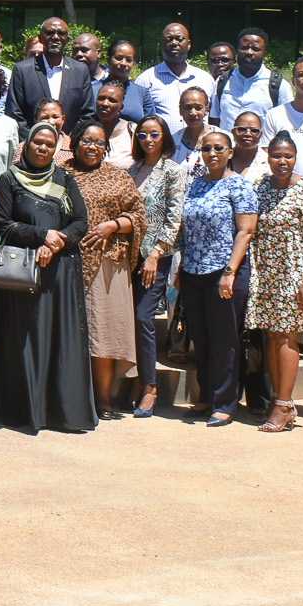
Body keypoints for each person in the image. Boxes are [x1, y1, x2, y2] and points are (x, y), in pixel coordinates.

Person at [0, 123, 95, 433]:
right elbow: (3, 225)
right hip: (22, 273)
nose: (43, 148)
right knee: (25, 339)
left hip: (60, 273)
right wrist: (42, 235)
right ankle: (26, 411)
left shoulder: (65, 179)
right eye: (37, 142)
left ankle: (61, 413)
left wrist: (56, 242)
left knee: (59, 338)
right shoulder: (10, 179)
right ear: (26, 145)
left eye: (49, 144)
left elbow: (81, 222)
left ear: (56, 149)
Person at [247, 131, 303, 432]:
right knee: (271, 335)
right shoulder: (259, 188)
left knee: (286, 337)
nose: (282, 161)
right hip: (266, 271)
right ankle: (279, 402)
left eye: (288, 156)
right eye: (276, 156)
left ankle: (283, 405)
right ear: (267, 158)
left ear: (295, 158)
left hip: (294, 273)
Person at [177, 129, 257, 426]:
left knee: (224, 340)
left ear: (230, 153)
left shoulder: (239, 186)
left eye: (219, 148)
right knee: (201, 338)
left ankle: (224, 403)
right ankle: (205, 396)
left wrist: (230, 273)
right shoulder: (196, 184)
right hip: (193, 271)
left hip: (224, 272)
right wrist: (181, 268)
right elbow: (185, 228)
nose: (212, 153)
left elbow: (246, 231)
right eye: (207, 148)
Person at [70, 122, 145, 420]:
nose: (92, 147)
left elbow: (138, 216)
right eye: (87, 140)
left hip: (108, 264)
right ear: (75, 142)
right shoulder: (61, 174)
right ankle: (71, 395)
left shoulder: (118, 176)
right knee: (73, 332)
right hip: (69, 262)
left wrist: (112, 226)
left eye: (99, 143)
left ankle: (102, 398)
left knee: (103, 334)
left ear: (106, 148)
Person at [128, 116, 187, 416]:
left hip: (156, 258)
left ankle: (150, 385)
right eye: (142, 135)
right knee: (129, 319)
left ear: (164, 137)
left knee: (143, 318)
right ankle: (136, 378)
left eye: (154, 134)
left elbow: (175, 218)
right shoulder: (132, 170)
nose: (148, 140)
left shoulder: (173, 171)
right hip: (129, 257)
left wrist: (156, 253)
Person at [5, 16, 95, 135]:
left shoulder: (80, 71)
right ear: (40, 38)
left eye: (61, 33)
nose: (56, 37)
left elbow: (87, 113)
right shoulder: (22, 70)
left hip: (70, 143)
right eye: (50, 32)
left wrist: (68, 142)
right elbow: (14, 113)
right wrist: (34, 140)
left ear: (67, 39)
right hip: (33, 143)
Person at [138, 22, 214, 136]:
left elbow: (213, 116)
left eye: (179, 39)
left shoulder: (205, 78)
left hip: (200, 144)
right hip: (162, 145)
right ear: (161, 44)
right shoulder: (146, 79)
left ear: (189, 44)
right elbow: (139, 119)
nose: (174, 43)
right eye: (168, 39)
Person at [211, 28, 292, 127]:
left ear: (265, 53)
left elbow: (287, 123)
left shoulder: (278, 86)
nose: (249, 52)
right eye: (244, 48)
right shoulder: (222, 82)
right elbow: (214, 121)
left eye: (256, 49)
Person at [90, 80, 136, 156]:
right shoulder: (88, 130)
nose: (105, 104)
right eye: (101, 98)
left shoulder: (132, 131)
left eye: (112, 100)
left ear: (121, 107)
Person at [172, 86, 211, 173]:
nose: (193, 113)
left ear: (206, 109)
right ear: (180, 110)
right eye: (188, 107)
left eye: (198, 108)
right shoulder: (173, 142)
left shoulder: (221, 138)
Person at [226, 111, 270, 183]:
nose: (248, 134)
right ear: (233, 131)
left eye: (254, 130)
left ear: (260, 134)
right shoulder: (223, 159)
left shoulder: (268, 162)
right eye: (242, 129)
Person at [34, 99, 73, 165]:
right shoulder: (24, 148)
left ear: (63, 119)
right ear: (36, 121)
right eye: (45, 118)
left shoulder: (73, 147)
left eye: (55, 117)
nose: (51, 122)